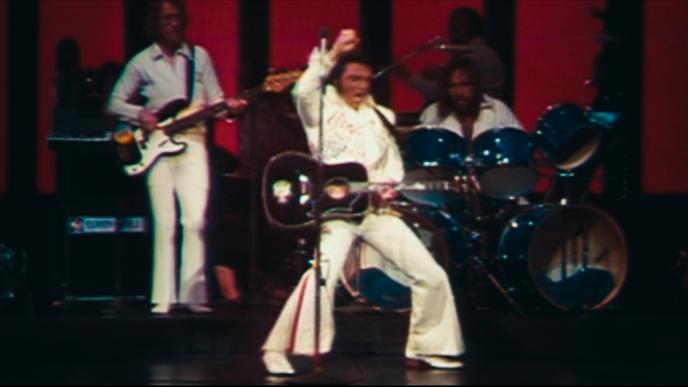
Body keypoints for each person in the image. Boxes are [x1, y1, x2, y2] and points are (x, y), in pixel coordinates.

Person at [261, 29, 465, 375]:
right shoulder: (321, 109)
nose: (361, 85)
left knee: (430, 273)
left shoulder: (380, 114)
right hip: (338, 213)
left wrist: (390, 186)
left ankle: (428, 346)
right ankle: (281, 349)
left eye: (367, 79)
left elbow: (392, 165)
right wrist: (334, 52)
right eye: (354, 78)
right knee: (321, 276)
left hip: (376, 211)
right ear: (338, 80)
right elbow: (303, 89)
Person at [107, 0, 247, 314]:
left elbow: (217, 101)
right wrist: (139, 113)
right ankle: (163, 298)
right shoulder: (142, 62)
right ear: (154, 24)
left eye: (177, 17)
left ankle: (193, 296)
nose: (173, 23)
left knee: (195, 220)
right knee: (165, 222)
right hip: (156, 147)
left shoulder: (200, 57)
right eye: (165, 18)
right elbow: (114, 102)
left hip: (193, 144)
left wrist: (231, 110)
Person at [400, 7, 505, 105]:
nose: (453, 36)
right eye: (451, 30)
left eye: (458, 30)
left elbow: (443, 93)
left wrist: (407, 75)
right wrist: (440, 71)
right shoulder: (478, 53)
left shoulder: (477, 55)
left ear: (474, 29)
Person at [419, 56, 521, 142]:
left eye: (464, 85)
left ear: (475, 85)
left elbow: (519, 142)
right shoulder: (432, 113)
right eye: (452, 86)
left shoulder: (498, 109)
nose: (458, 92)